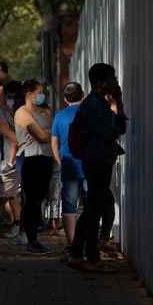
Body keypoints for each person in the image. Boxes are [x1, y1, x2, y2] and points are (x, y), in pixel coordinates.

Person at [69, 63, 127, 272]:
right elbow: (112, 131)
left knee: (93, 208)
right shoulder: (94, 105)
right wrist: (117, 107)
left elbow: (120, 128)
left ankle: (77, 253)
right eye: (112, 78)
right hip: (97, 161)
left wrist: (117, 103)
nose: (115, 82)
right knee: (95, 209)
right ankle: (91, 258)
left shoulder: (99, 102)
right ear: (102, 82)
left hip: (98, 160)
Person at [14, 79, 54, 254]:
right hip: (32, 159)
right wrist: (51, 132)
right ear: (29, 94)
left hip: (46, 158)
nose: (42, 95)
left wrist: (50, 132)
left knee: (40, 199)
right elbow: (42, 136)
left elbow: (52, 131)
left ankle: (34, 238)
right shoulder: (22, 113)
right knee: (32, 200)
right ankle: (31, 239)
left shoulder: (44, 111)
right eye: (39, 92)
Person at [51, 82, 86, 246]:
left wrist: (60, 161)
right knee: (90, 204)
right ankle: (88, 240)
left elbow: (54, 143)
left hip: (68, 165)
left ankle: (72, 243)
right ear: (83, 95)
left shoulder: (59, 116)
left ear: (65, 99)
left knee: (69, 206)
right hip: (89, 165)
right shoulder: (89, 114)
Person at [0, 81, 23, 238]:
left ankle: (20, 226)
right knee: (10, 194)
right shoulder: (2, 111)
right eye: (9, 96)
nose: (12, 99)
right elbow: (13, 137)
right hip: (9, 158)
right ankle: (17, 225)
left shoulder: (22, 110)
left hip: (22, 157)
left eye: (15, 96)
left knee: (17, 194)